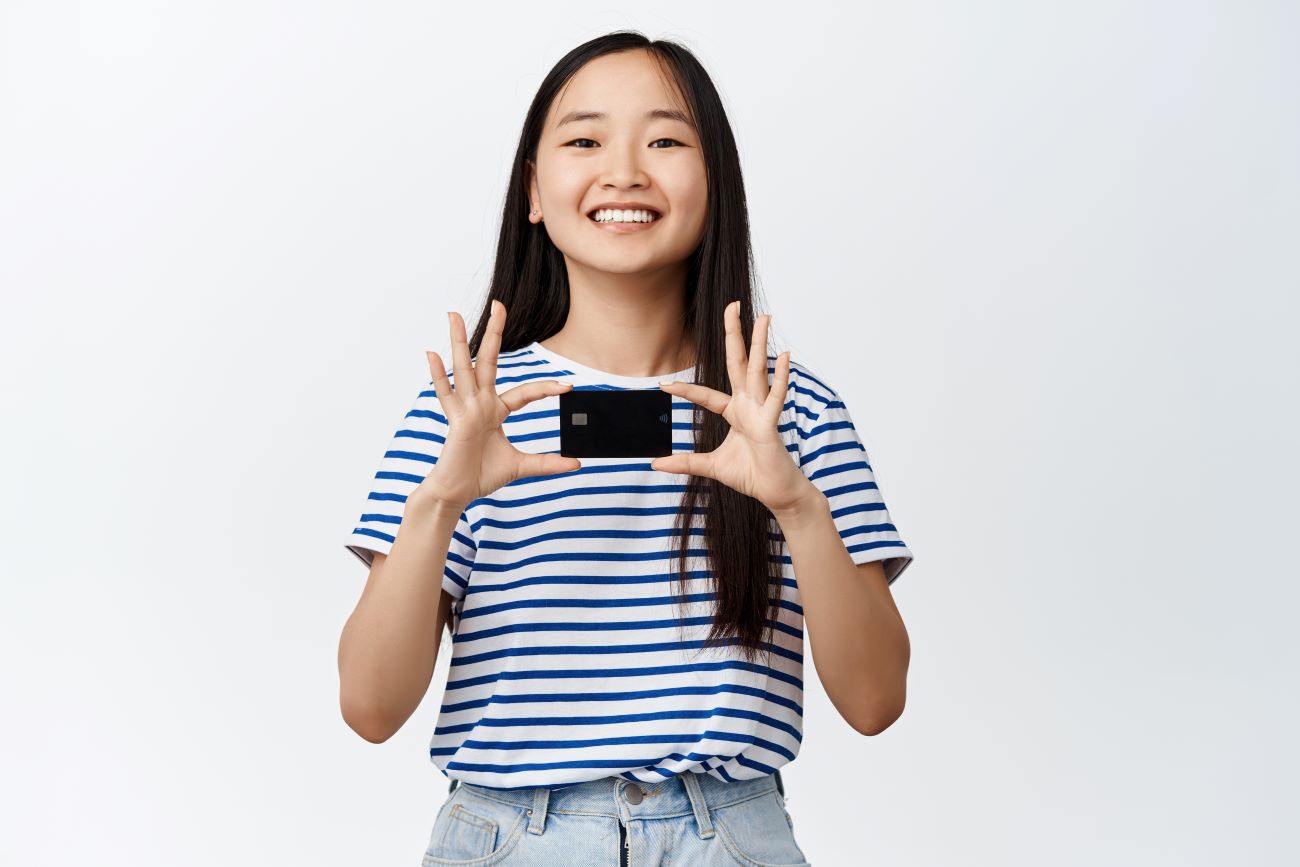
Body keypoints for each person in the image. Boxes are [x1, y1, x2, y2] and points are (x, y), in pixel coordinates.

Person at [338, 30, 915, 866]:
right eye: (584, 139)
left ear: (716, 182)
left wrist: (795, 504)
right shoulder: (466, 416)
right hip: (509, 834)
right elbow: (369, 707)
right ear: (534, 190)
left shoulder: (789, 412)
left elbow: (874, 700)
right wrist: (438, 501)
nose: (625, 170)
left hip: (726, 834)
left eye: (667, 140)